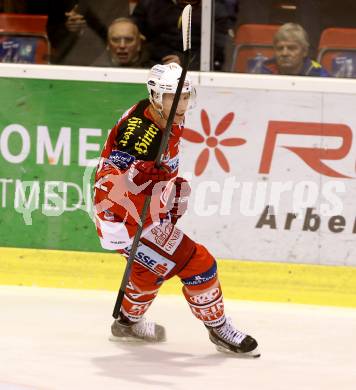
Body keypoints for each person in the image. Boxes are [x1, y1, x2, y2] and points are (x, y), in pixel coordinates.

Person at [93, 62, 260, 356]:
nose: (181, 104)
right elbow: (109, 184)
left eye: (185, 97)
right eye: (173, 97)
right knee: (199, 263)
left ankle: (127, 323)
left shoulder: (162, 116)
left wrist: (166, 190)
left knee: (148, 271)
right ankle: (219, 328)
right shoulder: (140, 134)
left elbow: (155, 173)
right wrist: (137, 178)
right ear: (157, 96)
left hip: (141, 213)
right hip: (126, 220)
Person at [131, 0, 230, 70]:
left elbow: (216, 47)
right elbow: (133, 29)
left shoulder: (214, 9)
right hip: (152, 64)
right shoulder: (150, 3)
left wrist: (186, 62)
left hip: (194, 69)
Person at [47, 0, 129, 65]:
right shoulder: (62, 2)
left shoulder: (115, 3)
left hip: (107, 60)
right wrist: (69, 27)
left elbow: (123, 32)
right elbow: (52, 33)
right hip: (68, 59)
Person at [260, 23, 329, 76]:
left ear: (305, 51)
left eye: (291, 48)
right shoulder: (265, 71)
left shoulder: (318, 73)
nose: (284, 53)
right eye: (280, 48)